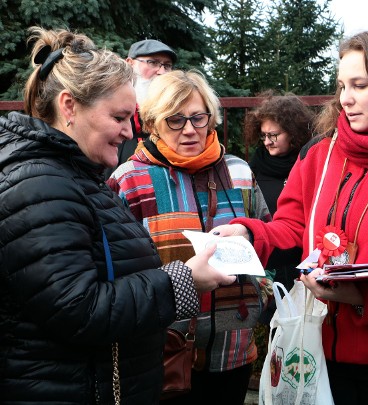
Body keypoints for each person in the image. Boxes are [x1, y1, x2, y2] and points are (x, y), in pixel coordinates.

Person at [214, 28, 368, 405]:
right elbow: (293, 227)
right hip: (316, 352)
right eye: (340, 86)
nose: (345, 99)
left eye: (360, 85)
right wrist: (250, 235)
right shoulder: (318, 154)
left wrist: (361, 296)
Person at [0, 27, 235, 404]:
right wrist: (183, 281)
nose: (129, 132)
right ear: (69, 106)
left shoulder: (76, 177)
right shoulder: (40, 186)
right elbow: (79, 308)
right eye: (119, 117)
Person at [107, 69, 271, 405]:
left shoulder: (238, 172)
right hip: (162, 353)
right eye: (175, 120)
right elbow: (116, 268)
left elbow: (267, 233)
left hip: (233, 349)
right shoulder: (130, 180)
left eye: (198, 117)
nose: (190, 129)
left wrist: (263, 289)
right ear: (152, 123)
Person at [243, 91, 313, 313]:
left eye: (273, 135)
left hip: (304, 264)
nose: (266, 142)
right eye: (263, 135)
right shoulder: (254, 168)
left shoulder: (311, 163)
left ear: (294, 133)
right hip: (270, 267)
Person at [104, 39, 177, 179]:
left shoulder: (176, 115)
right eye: (153, 62)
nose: (161, 72)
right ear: (130, 63)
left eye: (167, 66)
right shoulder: (108, 103)